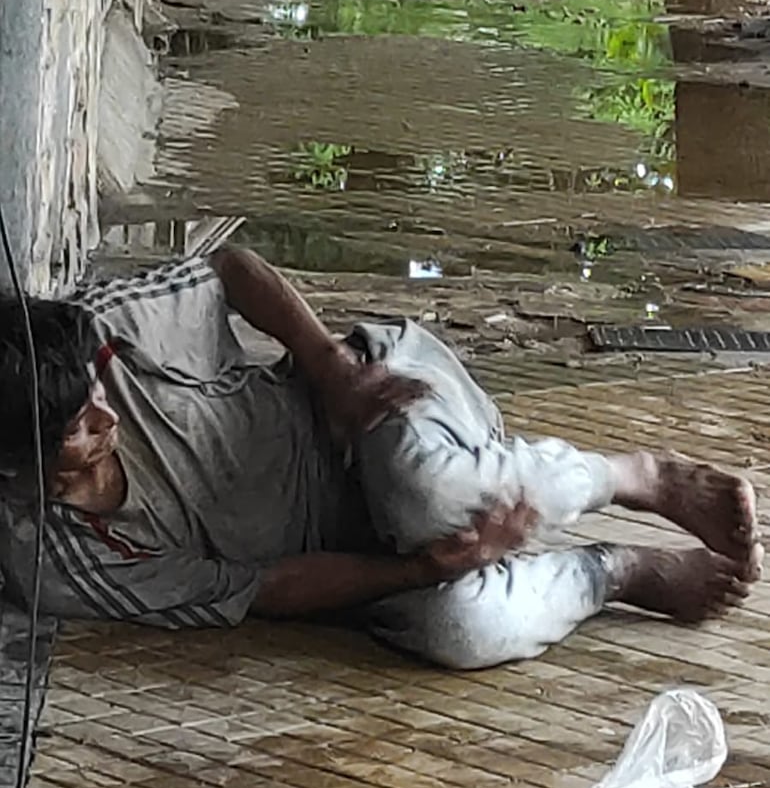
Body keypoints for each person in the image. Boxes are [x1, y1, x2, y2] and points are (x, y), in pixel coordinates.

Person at [0, 248, 762, 670]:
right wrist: (427, 570)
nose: (106, 415)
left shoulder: (95, 329)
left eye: (97, 393)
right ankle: (616, 573)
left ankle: (635, 476)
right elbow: (262, 589)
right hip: (348, 557)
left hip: (371, 415)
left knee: (430, 489)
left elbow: (227, 269)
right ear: (14, 468)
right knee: (462, 630)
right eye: (79, 428)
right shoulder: (53, 560)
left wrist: (330, 367)